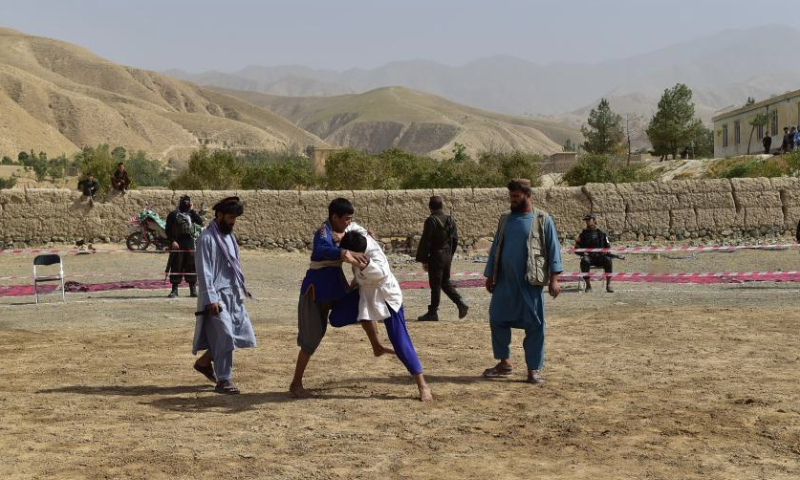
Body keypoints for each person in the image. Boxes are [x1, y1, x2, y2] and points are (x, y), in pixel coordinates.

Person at [289, 198, 393, 399]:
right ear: (334, 217)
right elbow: (321, 250)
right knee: (311, 340)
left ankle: (377, 346)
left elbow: (357, 239)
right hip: (315, 292)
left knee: (363, 303)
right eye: (345, 219)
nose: (348, 223)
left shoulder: (344, 231)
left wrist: (367, 239)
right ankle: (296, 383)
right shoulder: (323, 232)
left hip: (336, 288)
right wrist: (344, 251)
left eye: (350, 219)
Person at [329, 231, 433, 402]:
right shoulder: (360, 239)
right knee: (337, 317)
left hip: (386, 298)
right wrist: (341, 237)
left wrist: (359, 264)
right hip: (366, 293)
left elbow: (380, 274)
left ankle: (423, 385)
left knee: (400, 342)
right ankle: (377, 346)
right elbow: (354, 228)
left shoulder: (375, 259)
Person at [482, 179, 562, 385]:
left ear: (528, 195)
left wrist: (554, 279)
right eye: (511, 197)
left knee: (535, 325)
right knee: (497, 318)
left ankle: (533, 370)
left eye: (516, 197)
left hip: (530, 283)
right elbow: (495, 249)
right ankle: (504, 363)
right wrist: (490, 275)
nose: (513, 200)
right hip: (505, 283)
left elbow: (553, 249)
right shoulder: (505, 220)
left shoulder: (543, 219)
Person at [192, 196, 256, 395]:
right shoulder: (206, 238)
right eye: (229, 217)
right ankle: (224, 380)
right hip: (216, 297)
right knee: (226, 335)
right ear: (218, 215)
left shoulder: (229, 237)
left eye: (235, 217)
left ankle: (204, 362)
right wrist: (211, 298)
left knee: (234, 334)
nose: (232, 221)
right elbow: (204, 271)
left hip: (233, 294)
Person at [415, 195, 468, 321]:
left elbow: (426, 241)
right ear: (441, 206)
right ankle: (461, 303)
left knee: (435, 285)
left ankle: (433, 312)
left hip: (436, 256)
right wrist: (450, 254)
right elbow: (455, 239)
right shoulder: (450, 220)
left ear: (430, 207)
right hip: (447, 255)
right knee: (444, 282)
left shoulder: (431, 220)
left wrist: (424, 259)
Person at [165, 195, 204, 298]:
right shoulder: (174, 214)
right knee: (176, 265)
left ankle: (193, 289)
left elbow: (200, 222)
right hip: (178, 243)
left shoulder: (190, 215)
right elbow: (167, 230)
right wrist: (172, 241)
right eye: (185, 202)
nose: (186, 204)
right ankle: (174, 290)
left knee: (191, 266)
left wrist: (192, 210)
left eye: (188, 203)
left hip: (190, 243)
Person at [575, 213, 614, 293]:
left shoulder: (601, 234)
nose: (587, 222)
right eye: (586, 221)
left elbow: (607, 246)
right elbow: (576, 248)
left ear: (594, 220)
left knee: (608, 259)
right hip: (589, 257)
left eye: (589, 220)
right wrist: (583, 253)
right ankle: (588, 286)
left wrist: (606, 251)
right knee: (584, 261)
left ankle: (608, 285)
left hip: (600, 257)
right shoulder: (583, 235)